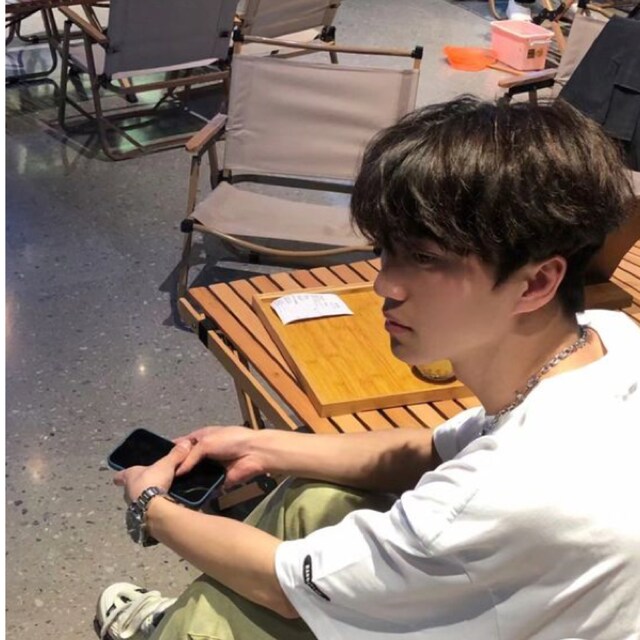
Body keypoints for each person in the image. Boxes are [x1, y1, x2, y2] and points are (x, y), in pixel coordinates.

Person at [97, 97, 640, 640]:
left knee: (225, 612)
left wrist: (151, 505)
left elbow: (282, 585)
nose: (384, 284)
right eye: (387, 251)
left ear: (536, 282)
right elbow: (433, 450)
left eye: (424, 258)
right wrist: (260, 445)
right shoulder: (609, 338)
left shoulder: (497, 494)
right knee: (317, 499)